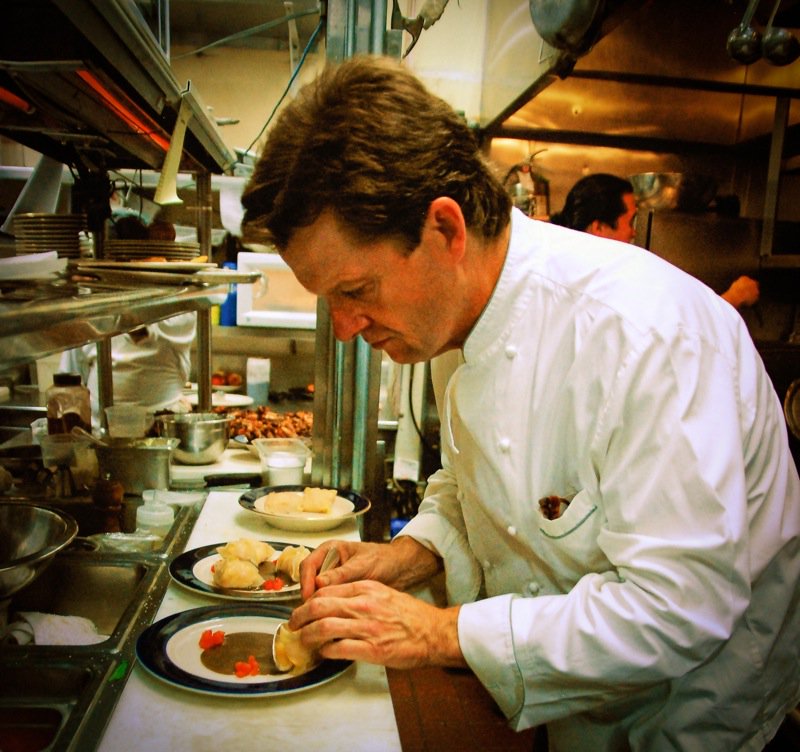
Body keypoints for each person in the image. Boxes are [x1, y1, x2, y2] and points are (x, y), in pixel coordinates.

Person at [240, 56, 800, 751]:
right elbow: (476, 484)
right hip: (556, 715)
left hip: (684, 724)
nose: (348, 328)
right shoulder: (455, 318)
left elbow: (679, 608)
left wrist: (438, 631)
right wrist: (415, 553)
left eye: (357, 291)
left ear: (445, 230)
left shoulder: (647, 334)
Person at [60, 211, 195, 427]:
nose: (128, 265)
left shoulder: (175, 304)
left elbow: (140, 332)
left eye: (135, 260)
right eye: (120, 261)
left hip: (163, 427)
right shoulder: (88, 304)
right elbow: (69, 379)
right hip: (99, 427)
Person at [551, 172, 761, 310]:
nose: (633, 232)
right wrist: (734, 297)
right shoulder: (599, 285)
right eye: (630, 221)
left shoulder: (565, 271)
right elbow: (673, 334)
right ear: (599, 228)